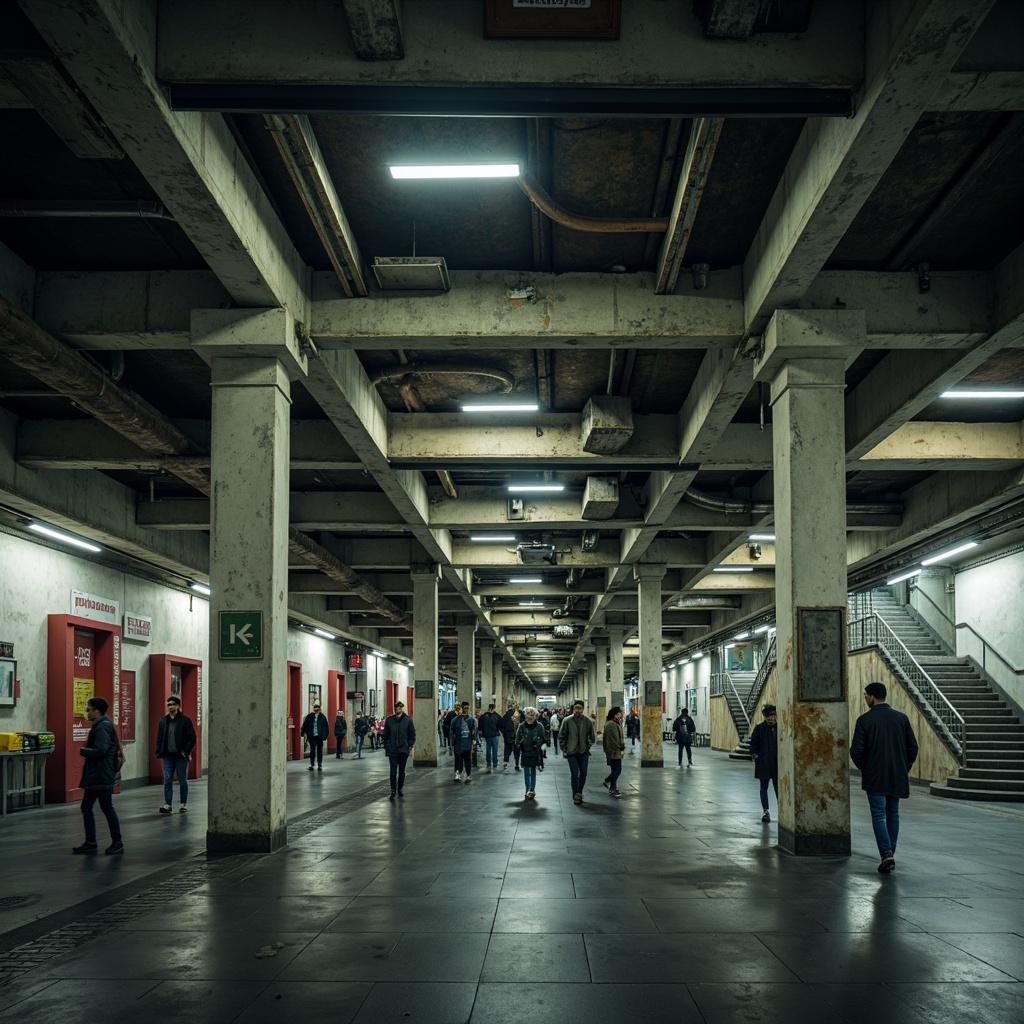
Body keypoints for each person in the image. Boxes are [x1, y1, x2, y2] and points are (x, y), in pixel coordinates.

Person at [850, 681, 919, 874]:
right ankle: (890, 853)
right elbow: (912, 748)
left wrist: (867, 768)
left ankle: (886, 854)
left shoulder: (864, 720)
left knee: (879, 815)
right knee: (893, 813)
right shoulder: (901, 718)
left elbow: (856, 751)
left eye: (865, 696)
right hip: (897, 775)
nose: (865, 699)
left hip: (875, 776)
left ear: (871, 697)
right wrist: (904, 767)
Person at [73, 697, 124, 855]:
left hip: (100, 774)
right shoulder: (104, 725)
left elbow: (100, 751)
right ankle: (93, 841)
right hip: (100, 774)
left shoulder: (101, 727)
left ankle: (114, 841)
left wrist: (83, 750)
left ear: (97, 711)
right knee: (90, 807)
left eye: (89, 709)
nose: (87, 712)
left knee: (103, 807)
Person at [155, 694, 197, 813]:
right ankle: (168, 804)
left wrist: (185, 751)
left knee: (182, 780)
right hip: (168, 756)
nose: (171, 707)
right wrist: (159, 751)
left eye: (173, 704)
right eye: (169, 705)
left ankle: (183, 804)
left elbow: (192, 738)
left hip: (181, 756)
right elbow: (160, 737)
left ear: (178, 706)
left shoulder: (185, 720)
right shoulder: (163, 721)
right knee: (168, 779)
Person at [560, 699, 596, 805]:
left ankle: (580, 792)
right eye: (576, 708)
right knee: (574, 774)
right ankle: (575, 794)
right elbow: (562, 736)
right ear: (573, 709)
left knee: (583, 774)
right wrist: (565, 749)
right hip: (571, 753)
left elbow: (592, 736)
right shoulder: (567, 721)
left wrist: (588, 745)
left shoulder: (588, 721)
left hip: (583, 752)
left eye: (580, 708)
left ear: (583, 709)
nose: (577, 710)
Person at [748, 704, 778, 822]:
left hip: (776, 763)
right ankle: (766, 811)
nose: (770, 718)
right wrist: (755, 755)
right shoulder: (759, 728)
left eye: (772, 716)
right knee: (763, 788)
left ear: (776, 716)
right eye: (767, 716)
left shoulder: (780, 728)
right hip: (764, 763)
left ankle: (783, 811)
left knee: (778, 788)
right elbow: (753, 743)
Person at [382, 700, 416, 800]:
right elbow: (386, 734)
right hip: (392, 750)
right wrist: (386, 746)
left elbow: (412, 735)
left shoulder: (408, 720)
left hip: (403, 750)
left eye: (400, 708)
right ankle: (393, 790)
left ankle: (400, 789)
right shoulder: (389, 720)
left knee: (402, 771)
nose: (398, 709)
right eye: (396, 708)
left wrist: (409, 746)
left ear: (402, 708)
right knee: (393, 771)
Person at [515, 706, 547, 800]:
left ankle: (532, 789)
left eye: (532, 713)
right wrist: (520, 744)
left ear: (535, 714)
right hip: (525, 751)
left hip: (535, 751)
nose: (531, 714)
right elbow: (517, 738)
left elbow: (544, 738)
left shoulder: (539, 726)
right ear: (525, 715)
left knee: (533, 771)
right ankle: (527, 788)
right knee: (526, 771)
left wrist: (540, 744)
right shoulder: (521, 726)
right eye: (529, 713)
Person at [450, 701, 477, 783]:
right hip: (458, 743)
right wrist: (452, 743)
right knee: (458, 759)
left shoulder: (471, 720)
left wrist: (475, 740)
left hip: (467, 743)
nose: (466, 710)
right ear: (461, 708)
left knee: (467, 760)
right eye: (465, 708)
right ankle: (457, 773)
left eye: (467, 708)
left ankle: (468, 775)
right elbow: (451, 731)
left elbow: (474, 730)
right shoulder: (455, 720)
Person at [602, 705, 625, 796]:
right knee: (618, 770)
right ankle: (607, 781)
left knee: (614, 770)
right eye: (619, 713)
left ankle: (613, 788)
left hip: (615, 750)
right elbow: (614, 739)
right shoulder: (611, 724)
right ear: (615, 715)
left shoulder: (615, 723)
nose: (621, 715)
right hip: (614, 751)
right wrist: (620, 747)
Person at [300, 702, 330, 771]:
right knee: (312, 751)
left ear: (319, 709)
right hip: (312, 736)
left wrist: (324, 736)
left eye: (317, 708)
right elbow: (305, 725)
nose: (316, 709)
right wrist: (303, 732)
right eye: (315, 708)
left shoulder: (322, 717)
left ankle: (319, 764)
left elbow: (326, 727)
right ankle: (312, 764)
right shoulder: (310, 716)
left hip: (319, 737)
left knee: (319, 751)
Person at [478, 702, 503, 773]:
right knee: (495, 750)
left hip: (487, 735)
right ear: (494, 708)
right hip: (495, 735)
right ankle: (495, 764)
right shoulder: (497, 716)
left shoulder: (483, 716)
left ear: (488, 708)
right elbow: (500, 726)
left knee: (488, 750)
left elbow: (480, 726)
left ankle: (488, 763)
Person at [502, 708, 522, 772]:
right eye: (515, 717)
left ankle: (516, 764)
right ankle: (506, 764)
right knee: (508, 752)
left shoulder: (519, 724)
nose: (516, 718)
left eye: (517, 717)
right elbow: (504, 729)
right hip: (510, 739)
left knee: (515, 752)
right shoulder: (510, 723)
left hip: (514, 740)